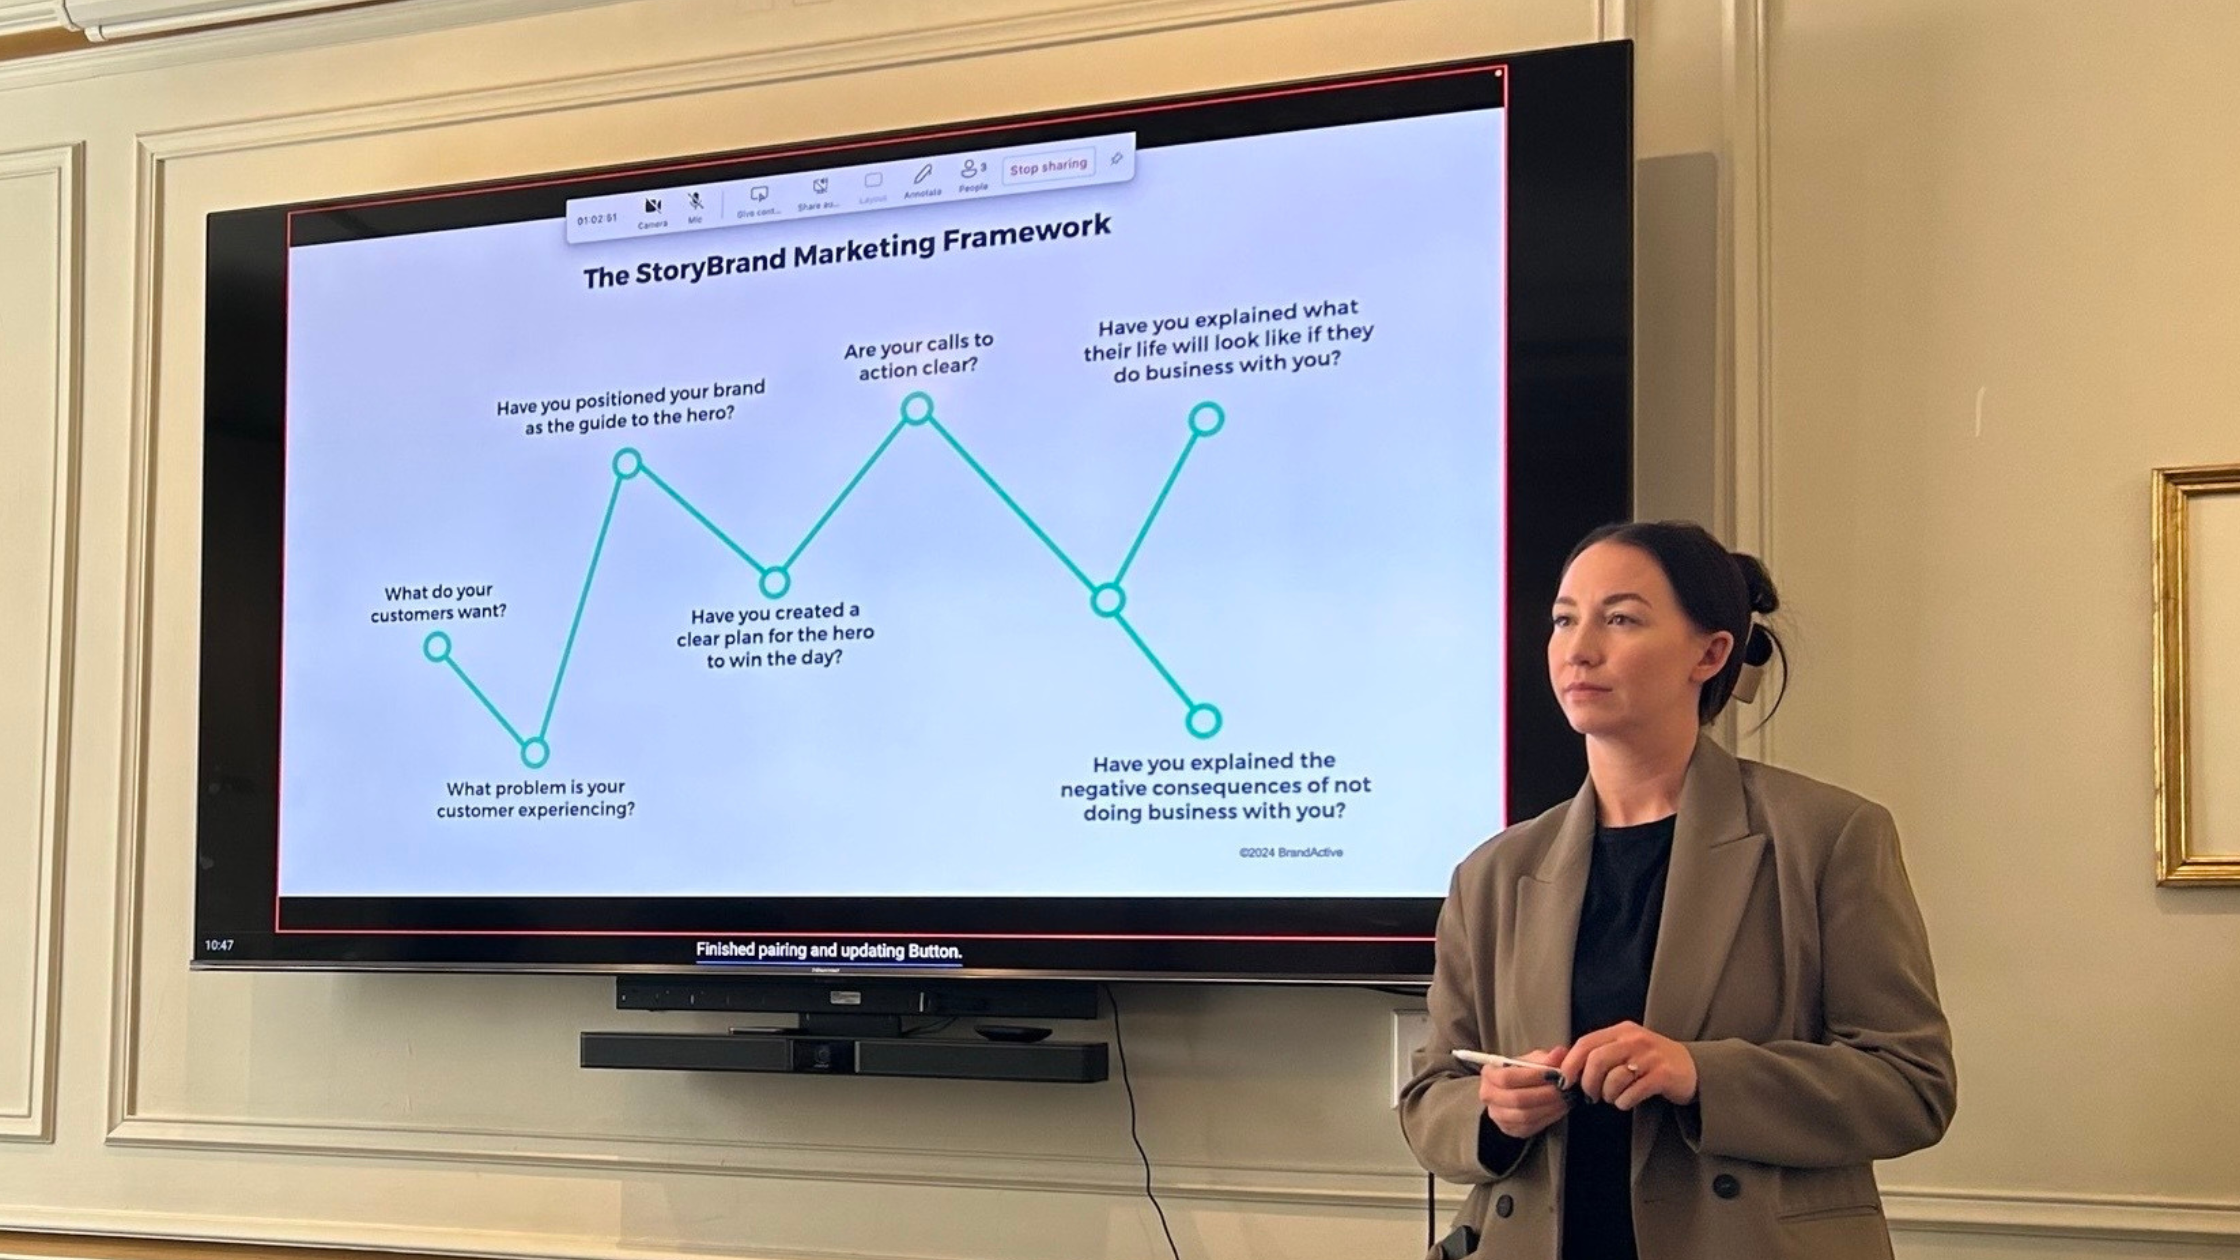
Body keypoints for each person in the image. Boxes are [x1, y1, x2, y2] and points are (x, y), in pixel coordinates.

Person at [1398, 521, 1955, 1260]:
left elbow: (1912, 1086)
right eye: (1564, 620)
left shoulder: (1828, 835)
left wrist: (1700, 1074)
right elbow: (1430, 1096)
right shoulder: (1493, 872)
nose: (1579, 648)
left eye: (1620, 619)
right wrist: (1492, 1111)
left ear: (1711, 653)